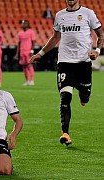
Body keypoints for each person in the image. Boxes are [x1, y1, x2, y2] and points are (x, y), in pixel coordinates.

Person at [30, 0, 104, 146]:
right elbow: (56, 37)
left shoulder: (88, 13)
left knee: (85, 96)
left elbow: (100, 35)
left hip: (83, 63)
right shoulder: (59, 15)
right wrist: (41, 53)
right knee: (65, 97)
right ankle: (65, 133)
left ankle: (83, 95)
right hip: (64, 62)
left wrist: (97, 51)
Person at [15, 20, 36, 86]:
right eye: (23, 23)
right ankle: (27, 80)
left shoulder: (31, 32)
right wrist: (17, 53)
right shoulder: (20, 33)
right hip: (22, 51)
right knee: (24, 66)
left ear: (28, 24)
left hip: (28, 51)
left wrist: (32, 51)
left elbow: (33, 42)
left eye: (25, 23)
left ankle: (32, 80)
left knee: (29, 65)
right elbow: (18, 43)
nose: (23, 25)